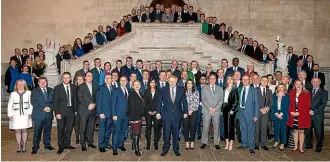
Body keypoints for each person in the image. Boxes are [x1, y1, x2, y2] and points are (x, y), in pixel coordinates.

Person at [156, 75, 188, 156]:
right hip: (166, 115)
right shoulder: (163, 90)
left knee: (176, 133)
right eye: (170, 81)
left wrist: (185, 112)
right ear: (167, 81)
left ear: (176, 80)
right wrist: (158, 112)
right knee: (166, 133)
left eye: (174, 81)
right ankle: (165, 148)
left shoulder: (181, 89)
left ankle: (176, 149)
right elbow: (159, 102)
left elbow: (184, 102)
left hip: (177, 115)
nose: (172, 83)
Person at [53, 72, 76, 154]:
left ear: (70, 78)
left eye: (68, 77)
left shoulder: (74, 87)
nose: (66, 79)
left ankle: (67, 144)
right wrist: (56, 113)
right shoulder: (57, 88)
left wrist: (75, 111)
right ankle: (61, 146)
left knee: (69, 129)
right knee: (61, 129)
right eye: (65, 78)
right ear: (62, 79)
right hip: (61, 112)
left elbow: (75, 99)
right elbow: (55, 102)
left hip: (71, 112)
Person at [7, 79, 32, 153]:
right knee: (17, 131)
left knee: (24, 130)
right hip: (15, 115)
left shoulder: (29, 93)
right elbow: (9, 105)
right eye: (18, 84)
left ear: (24, 85)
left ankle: (24, 145)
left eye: (21, 84)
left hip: (26, 115)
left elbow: (31, 104)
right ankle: (18, 145)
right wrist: (9, 114)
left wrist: (30, 112)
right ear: (16, 85)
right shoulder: (13, 94)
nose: (20, 86)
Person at [30, 77, 54, 154]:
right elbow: (33, 102)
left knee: (47, 131)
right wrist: (44, 107)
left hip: (48, 114)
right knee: (37, 132)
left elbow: (54, 101)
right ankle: (35, 147)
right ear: (38, 83)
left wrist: (50, 107)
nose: (43, 83)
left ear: (47, 82)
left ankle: (47, 144)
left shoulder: (51, 90)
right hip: (38, 115)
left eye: (44, 82)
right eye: (41, 82)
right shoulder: (34, 91)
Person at [237, 75, 260, 154]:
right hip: (241, 112)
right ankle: (244, 144)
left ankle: (251, 146)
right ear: (241, 80)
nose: (245, 81)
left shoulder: (253, 90)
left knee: (251, 130)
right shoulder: (239, 89)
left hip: (250, 113)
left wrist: (256, 115)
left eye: (247, 79)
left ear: (249, 81)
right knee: (243, 129)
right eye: (243, 79)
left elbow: (257, 103)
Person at [200, 74, 224, 150]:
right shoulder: (204, 88)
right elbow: (203, 100)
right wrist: (210, 108)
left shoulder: (220, 88)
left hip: (216, 111)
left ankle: (216, 142)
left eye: (214, 78)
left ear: (216, 80)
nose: (212, 80)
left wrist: (215, 108)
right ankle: (204, 142)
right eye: (211, 78)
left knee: (216, 127)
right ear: (208, 80)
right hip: (207, 110)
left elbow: (221, 100)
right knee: (205, 127)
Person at [287, 80, 311, 153]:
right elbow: (289, 104)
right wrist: (291, 112)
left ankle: (301, 147)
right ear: (294, 85)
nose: (298, 85)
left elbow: (307, 105)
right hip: (293, 115)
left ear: (302, 85)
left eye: (300, 84)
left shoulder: (307, 93)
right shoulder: (291, 93)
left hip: (302, 115)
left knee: (301, 132)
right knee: (295, 131)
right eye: (296, 84)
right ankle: (295, 146)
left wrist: (299, 112)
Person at [305, 78, 328, 152]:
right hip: (308, 114)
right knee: (308, 131)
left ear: (320, 83)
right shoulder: (307, 91)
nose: (315, 83)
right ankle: (309, 145)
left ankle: (319, 146)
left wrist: (313, 111)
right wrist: (307, 110)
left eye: (317, 82)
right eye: (313, 82)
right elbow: (304, 103)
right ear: (311, 83)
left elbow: (323, 104)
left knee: (319, 132)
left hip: (318, 115)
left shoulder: (324, 92)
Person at [77, 72, 97, 151]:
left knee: (91, 127)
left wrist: (94, 104)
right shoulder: (80, 86)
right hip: (84, 110)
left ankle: (90, 142)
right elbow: (80, 98)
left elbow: (97, 97)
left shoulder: (95, 86)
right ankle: (83, 144)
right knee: (83, 128)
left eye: (91, 76)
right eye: (88, 76)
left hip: (93, 110)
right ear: (85, 77)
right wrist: (89, 104)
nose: (90, 77)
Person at [111, 76, 129, 155]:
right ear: (119, 81)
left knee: (123, 131)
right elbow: (112, 104)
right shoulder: (115, 90)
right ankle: (114, 148)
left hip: (126, 115)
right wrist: (114, 114)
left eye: (125, 80)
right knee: (116, 131)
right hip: (117, 115)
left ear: (127, 81)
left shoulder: (129, 90)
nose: (123, 81)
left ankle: (121, 145)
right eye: (121, 80)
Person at [254, 76, 273, 151]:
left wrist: (267, 108)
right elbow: (254, 102)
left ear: (267, 82)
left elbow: (271, 102)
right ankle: (256, 144)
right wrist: (260, 109)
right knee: (257, 128)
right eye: (263, 80)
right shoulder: (255, 90)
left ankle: (263, 144)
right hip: (257, 112)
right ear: (260, 81)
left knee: (264, 128)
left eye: (266, 81)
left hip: (266, 112)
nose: (264, 82)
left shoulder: (269, 91)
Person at [96, 74, 113, 152]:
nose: (107, 79)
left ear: (112, 79)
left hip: (111, 113)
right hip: (103, 113)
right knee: (102, 129)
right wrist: (100, 112)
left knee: (108, 130)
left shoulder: (114, 88)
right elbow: (98, 101)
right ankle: (101, 145)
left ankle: (106, 143)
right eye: (106, 78)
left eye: (109, 78)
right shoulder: (101, 88)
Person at [222, 75, 239, 151]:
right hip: (225, 108)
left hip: (231, 109)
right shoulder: (224, 88)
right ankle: (226, 143)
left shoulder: (235, 89)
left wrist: (233, 109)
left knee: (231, 126)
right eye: (228, 79)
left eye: (231, 79)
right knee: (225, 125)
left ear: (233, 80)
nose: (229, 80)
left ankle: (231, 143)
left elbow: (237, 101)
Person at [128, 80, 145, 156]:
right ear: (132, 86)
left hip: (139, 116)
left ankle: (133, 146)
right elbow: (132, 107)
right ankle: (136, 150)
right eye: (135, 84)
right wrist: (134, 119)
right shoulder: (132, 94)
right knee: (136, 133)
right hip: (134, 117)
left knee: (136, 133)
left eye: (138, 84)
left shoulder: (140, 93)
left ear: (140, 85)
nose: (137, 85)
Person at [144, 78, 162, 150]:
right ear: (149, 83)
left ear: (155, 83)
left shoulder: (159, 91)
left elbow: (159, 102)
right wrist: (149, 111)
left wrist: (156, 111)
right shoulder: (146, 91)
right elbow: (145, 102)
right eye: (151, 82)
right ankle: (148, 143)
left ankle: (156, 143)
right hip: (148, 112)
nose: (152, 84)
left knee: (157, 128)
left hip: (156, 112)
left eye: (154, 82)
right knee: (148, 127)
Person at [271, 83, 289, 151]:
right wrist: (276, 114)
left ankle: (282, 143)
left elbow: (286, 106)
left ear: (284, 89)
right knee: (276, 128)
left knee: (282, 129)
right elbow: (272, 105)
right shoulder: (274, 96)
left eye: (282, 87)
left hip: (283, 115)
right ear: (277, 88)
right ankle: (276, 141)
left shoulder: (286, 96)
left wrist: (281, 114)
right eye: (279, 87)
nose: (280, 88)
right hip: (275, 113)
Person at [183, 79, 199, 149]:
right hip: (185, 112)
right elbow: (181, 102)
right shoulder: (183, 92)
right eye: (188, 83)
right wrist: (186, 111)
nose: (189, 85)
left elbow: (196, 102)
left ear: (193, 85)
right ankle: (186, 141)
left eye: (190, 83)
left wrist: (191, 110)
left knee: (192, 126)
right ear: (186, 85)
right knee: (185, 126)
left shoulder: (196, 92)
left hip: (194, 112)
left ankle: (192, 141)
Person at [74, 75, 84, 144]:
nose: (79, 80)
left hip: (84, 109)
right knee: (76, 124)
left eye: (81, 79)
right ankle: (77, 137)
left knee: (83, 124)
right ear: (76, 81)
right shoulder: (73, 88)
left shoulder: (85, 88)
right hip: (75, 110)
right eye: (78, 79)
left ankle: (83, 137)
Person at [196, 75, 207, 140]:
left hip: (207, 107)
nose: (203, 80)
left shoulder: (209, 87)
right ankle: (199, 134)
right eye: (201, 79)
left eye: (204, 79)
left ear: (206, 80)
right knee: (198, 121)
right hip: (199, 107)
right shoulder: (196, 88)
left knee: (206, 122)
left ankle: (205, 134)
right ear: (200, 80)